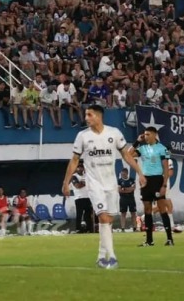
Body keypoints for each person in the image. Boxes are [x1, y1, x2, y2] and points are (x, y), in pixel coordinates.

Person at [62, 105, 145, 269]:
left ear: (98, 117)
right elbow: (74, 160)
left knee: (109, 220)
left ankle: (101, 256)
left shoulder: (113, 133)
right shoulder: (83, 136)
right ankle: (112, 257)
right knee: (103, 217)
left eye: (89, 115)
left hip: (111, 183)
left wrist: (140, 173)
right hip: (94, 183)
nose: (86, 118)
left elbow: (126, 155)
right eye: (86, 115)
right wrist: (66, 182)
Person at [133, 127, 174, 246]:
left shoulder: (162, 148)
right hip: (145, 180)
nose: (145, 136)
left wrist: (164, 184)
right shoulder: (143, 148)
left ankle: (170, 239)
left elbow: (166, 168)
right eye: (144, 134)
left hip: (157, 179)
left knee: (162, 208)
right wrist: (137, 141)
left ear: (154, 135)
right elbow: (129, 153)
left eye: (148, 134)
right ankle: (149, 240)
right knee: (147, 210)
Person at [71, 164, 94, 233]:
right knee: (79, 214)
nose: (80, 169)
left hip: (87, 197)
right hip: (79, 198)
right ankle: (78, 228)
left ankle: (89, 228)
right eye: (79, 168)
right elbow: (78, 186)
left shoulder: (86, 176)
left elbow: (91, 184)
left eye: (81, 168)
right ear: (76, 168)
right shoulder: (74, 176)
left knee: (88, 214)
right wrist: (85, 183)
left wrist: (83, 182)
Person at [117, 168, 137, 232]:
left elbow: (133, 189)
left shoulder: (132, 180)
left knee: (133, 213)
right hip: (123, 199)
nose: (122, 175)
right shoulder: (119, 181)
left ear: (126, 173)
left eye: (123, 174)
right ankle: (123, 228)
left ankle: (135, 227)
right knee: (123, 213)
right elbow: (119, 190)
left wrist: (124, 189)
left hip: (131, 198)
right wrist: (128, 189)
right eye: (122, 174)